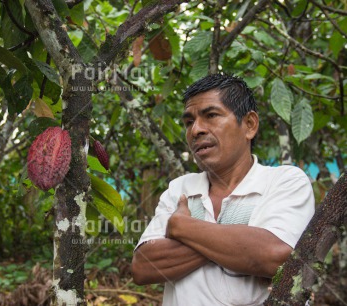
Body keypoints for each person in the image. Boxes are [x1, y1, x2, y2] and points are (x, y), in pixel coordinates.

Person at [131, 73, 315, 305]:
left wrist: (182, 227)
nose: (196, 130)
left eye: (211, 115)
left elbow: (276, 257)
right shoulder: (180, 188)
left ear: (249, 125)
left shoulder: (285, 181)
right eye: (189, 122)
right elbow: (143, 267)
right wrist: (241, 246)